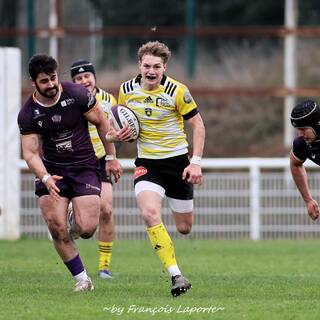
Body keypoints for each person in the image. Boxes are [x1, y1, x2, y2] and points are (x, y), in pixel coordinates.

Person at [17, 53, 130, 292]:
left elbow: (101, 123)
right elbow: (30, 153)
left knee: (87, 229)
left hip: (83, 167)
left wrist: (111, 157)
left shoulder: (78, 95)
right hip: (52, 172)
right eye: (44, 81)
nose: (51, 85)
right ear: (33, 83)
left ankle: (72, 219)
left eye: (53, 78)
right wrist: (45, 177)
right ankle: (82, 280)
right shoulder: (28, 113)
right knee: (56, 228)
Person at [108, 41, 206, 296]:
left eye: (157, 67)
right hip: (148, 164)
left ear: (165, 67)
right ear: (139, 65)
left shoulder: (177, 91)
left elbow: (198, 126)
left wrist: (195, 162)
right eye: (146, 65)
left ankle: (173, 252)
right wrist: (115, 137)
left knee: (184, 228)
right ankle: (176, 275)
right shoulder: (126, 90)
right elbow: (115, 129)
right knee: (150, 213)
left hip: (178, 164)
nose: (151, 71)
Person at [70, 59, 117, 279]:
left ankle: (104, 267)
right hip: (77, 161)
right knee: (84, 225)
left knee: (106, 209)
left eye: (87, 76)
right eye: (78, 78)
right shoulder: (70, 101)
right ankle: (72, 222)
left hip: (101, 159)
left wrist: (113, 154)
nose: (83, 81)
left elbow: (114, 130)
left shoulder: (109, 100)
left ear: (94, 77)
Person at [290, 99, 320, 221]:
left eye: (303, 129)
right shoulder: (302, 144)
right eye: (298, 130)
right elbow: (295, 164)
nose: (300, 134)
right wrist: (308, 199)